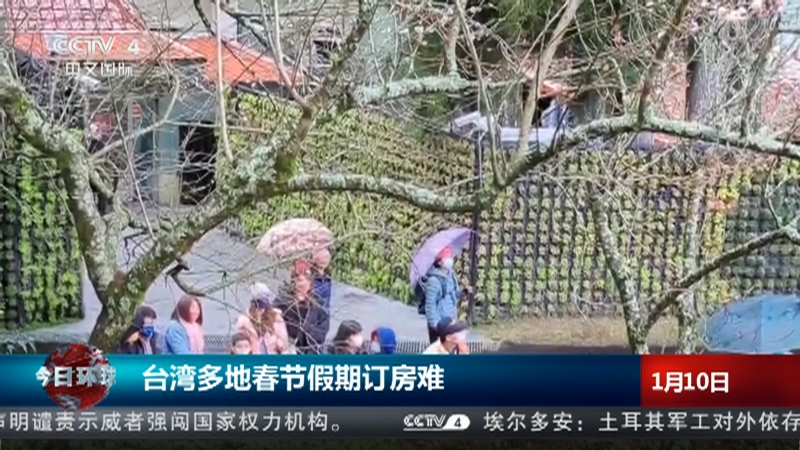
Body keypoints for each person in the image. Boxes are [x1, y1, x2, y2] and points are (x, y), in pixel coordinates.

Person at [275, 260, 330, 354]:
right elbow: (273, 319)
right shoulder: (283, 300)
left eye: (305, 280)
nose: (301, 285)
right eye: (298, 280)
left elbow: (321, 331)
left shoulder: (317, 304)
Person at [235, 286, 290, 354]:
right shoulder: (244, 322)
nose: (261, 310)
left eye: (263, 306)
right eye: (258, 306)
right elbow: (241, 346)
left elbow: (284, 345)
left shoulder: (276, 319)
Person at [423, 246, 460, 343]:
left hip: (450, 320)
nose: (450, 259)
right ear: (439, 262)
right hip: (439, 324)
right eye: (447, 257)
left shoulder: (451, 275)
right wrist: (434, 325)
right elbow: (430, 305)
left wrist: (462, 293)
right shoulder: (433, 281)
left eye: (450, 256)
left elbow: (452, 295)